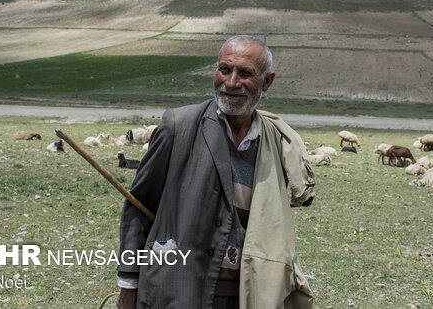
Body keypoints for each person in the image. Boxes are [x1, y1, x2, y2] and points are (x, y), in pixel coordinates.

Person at [117, 35, 315, 309]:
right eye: (225, 69)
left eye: (245, 73)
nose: (231, 83)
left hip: (247, 294)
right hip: (178, 289)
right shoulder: (178, 126)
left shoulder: (276, 142)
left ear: (267, 81)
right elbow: (139, 206)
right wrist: (129, 285)